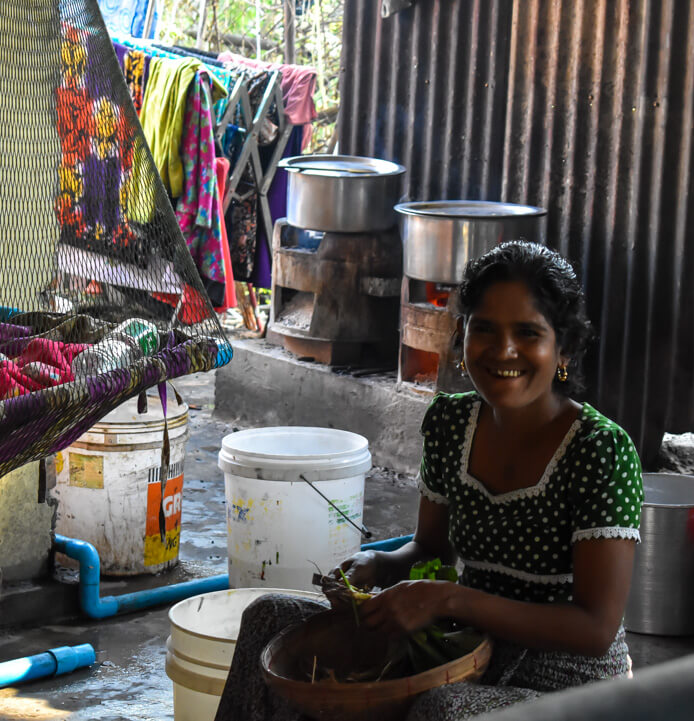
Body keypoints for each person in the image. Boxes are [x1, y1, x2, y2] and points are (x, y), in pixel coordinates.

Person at [213, 241, 644, 721]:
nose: (504, 350)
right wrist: (377, 565)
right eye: (485, 329)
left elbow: (596, 627)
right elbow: (430, 551)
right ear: (462, 338)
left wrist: (448, 598)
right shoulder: (451, 423)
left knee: (445, 709)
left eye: (527, 333)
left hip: (568, 683)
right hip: (457, 648)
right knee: (267, 616)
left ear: (562, 347)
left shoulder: (598, 450)